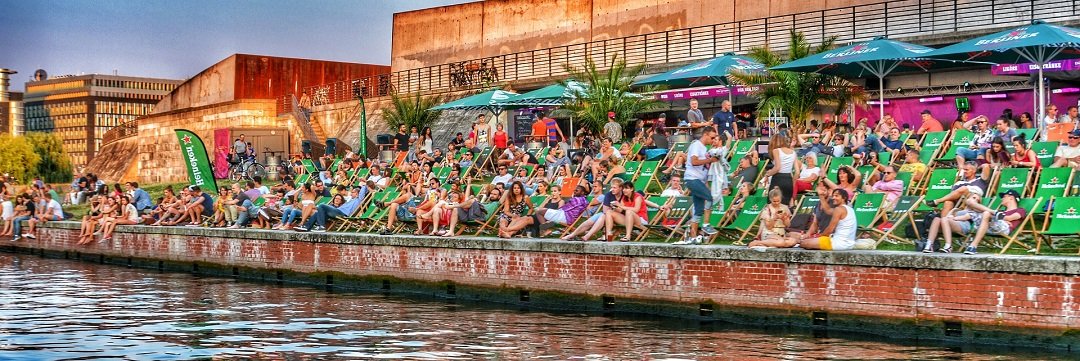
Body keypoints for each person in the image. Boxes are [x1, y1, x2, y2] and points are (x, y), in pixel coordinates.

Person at [675, 127, 720, 244]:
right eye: (712, 137)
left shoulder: (704, 148)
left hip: (699, 180)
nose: (713, 140)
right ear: (705, 135)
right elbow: (694, 162)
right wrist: (710, 160)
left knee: (698, 210)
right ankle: (706, 224)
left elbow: (703, 169)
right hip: (692, 179)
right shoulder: (696, 145)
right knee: (709, 198)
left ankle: (693, 236)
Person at [503, 185, 588, 237]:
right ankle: (508, 233)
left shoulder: (576, 200)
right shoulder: (550, 199)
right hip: (546, 216)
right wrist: (546, 200)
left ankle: (507, 230)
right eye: (552, 191)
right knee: (522, 218)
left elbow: (562, 209)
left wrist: (572, 196)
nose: (553, 193)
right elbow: (539, 209)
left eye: (555, 191)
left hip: (552, 218)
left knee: (526, 219)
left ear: (559, 192)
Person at [963, 189, 1027, 254]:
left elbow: (1010, 218)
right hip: (991, 226)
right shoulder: (1001, 211)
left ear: (1011, 198)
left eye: (1004, 197)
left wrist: (1000, 218)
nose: (1002, 199)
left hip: (1005, 229)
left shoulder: (1020, 210)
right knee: (974, 208)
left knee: (986, 213)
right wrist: (997, 215)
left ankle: (973, 246)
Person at [924, 161, 991, 217]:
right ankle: (944, 222)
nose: (964, 171)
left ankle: (937, 201)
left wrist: (978, 168)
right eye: (964, 169)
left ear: (974, 171)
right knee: (948, 202)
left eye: (967, 170)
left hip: (974, 199)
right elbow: (952, 195)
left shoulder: (981, 180)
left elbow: (986, 166)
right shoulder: (959, 183)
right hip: (959, 201)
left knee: (963, 188)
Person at [297, 188, 363, 233]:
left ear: (357, 194)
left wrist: (363, 183)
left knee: (322, 206)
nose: (351, 193)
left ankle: (321, 226)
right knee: (318, 212)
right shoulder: (350, 199)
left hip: (342, 213)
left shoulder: (359, 199)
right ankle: (307, 227)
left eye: (353, 192)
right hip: (337, 211)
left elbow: (364, 190)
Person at [763, 132, 797, 206]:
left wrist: (768, 174)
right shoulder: (793, 152)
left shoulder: (776, 151)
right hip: (788, 180)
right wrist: (792, 184)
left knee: (772, 205)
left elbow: (778, 167)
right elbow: (797, 173)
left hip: (778, 179)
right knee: (785, 206)